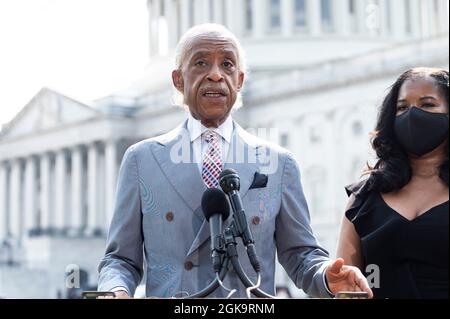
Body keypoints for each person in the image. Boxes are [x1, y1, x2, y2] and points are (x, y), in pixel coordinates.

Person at [98, 23, 372, 298]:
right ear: (178, 80)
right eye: (201, 63)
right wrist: (115, 290)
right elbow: (120, 259)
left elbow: (301, 255)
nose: (216, 75)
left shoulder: (279, 164)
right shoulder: (141, 160)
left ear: (239, 80)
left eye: (227, 64)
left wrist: (326, 276)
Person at [337, 67, 449, 299]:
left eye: (427, 104)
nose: (412, 115)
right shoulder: (363, 199)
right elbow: (346, 287)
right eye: (402, 108)